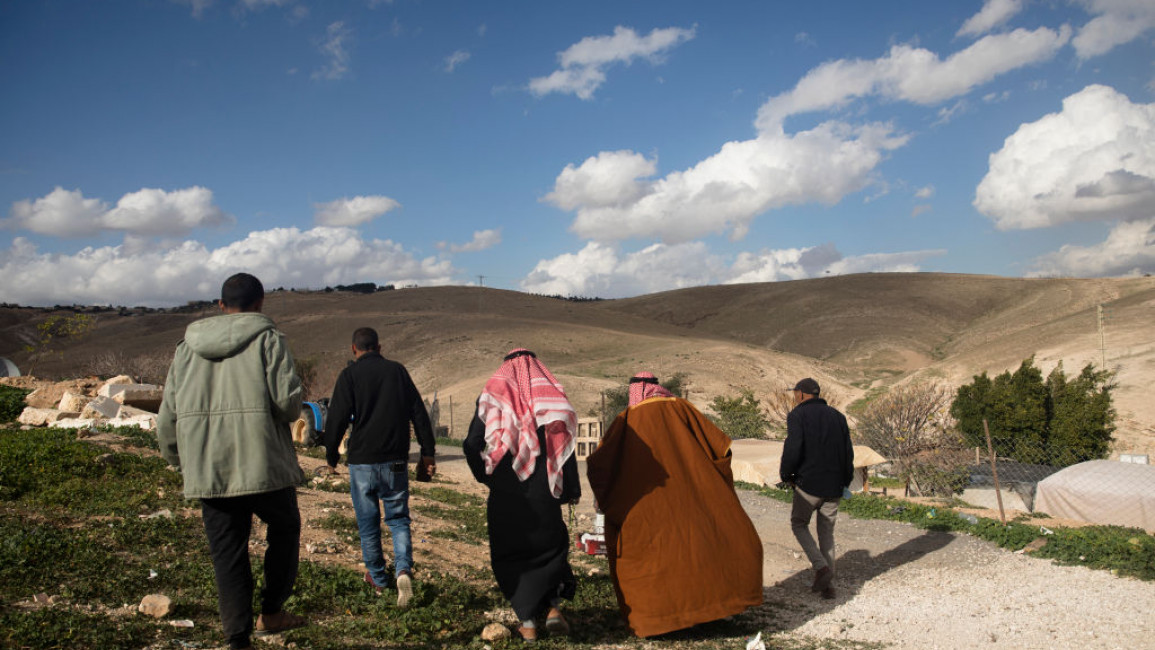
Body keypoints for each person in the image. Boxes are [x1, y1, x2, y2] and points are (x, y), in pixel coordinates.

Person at [157, 272, 306, 650]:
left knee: (228, 552)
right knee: (285, 530)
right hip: (264, 465)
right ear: (260, 305)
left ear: (221, 306)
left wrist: (179, 461)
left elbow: (168, 414)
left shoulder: (185, 349)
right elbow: (289, 405)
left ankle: (237, 638)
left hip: (209, 467)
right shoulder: (268, 340)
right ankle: (272, 610)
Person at [586, 372, 763, 638]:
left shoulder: (627, 420)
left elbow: (601, 465)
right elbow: (721, 448)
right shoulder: (683, 408)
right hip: (694, 500)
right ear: (658, 388)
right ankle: (706, 613)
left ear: (634, 392)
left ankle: (660, 620)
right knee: (700, 552)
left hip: (648, 509)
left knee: (655, 559)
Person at [462, 349, 580, 642]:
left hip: (507, 494)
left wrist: (486, 475)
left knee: (511, 552)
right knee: (551, 549)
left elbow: (471, 443)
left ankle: (527, 623)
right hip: (545, 493)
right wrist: (571, 490)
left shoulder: (493, 395)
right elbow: (566, 450)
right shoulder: (553, 399)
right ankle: (553, 610)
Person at [323, 327, 436, 609]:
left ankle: (376, 577)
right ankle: (402, 571)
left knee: (368, 522)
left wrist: (331, 456)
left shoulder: (349, 376)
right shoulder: (397, 372)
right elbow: (419, 413)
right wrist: (427, 452)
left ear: (354, 349)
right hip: (395, 460)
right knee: (398, 519)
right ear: (380, 347)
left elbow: (336, 416)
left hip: (362, 461)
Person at [779, 377, 854, 600]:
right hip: (834, 485)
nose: (794, 397)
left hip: (808, 486)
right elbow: (848, 453)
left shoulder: (797, 415)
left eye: (795, 393)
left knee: (799, 524)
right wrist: (845, 481)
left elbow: (793, 448)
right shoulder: (838, 417)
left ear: (801, 394)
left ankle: (821, 568)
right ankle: (828, 586)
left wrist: (786, 475)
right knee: (826, 533)